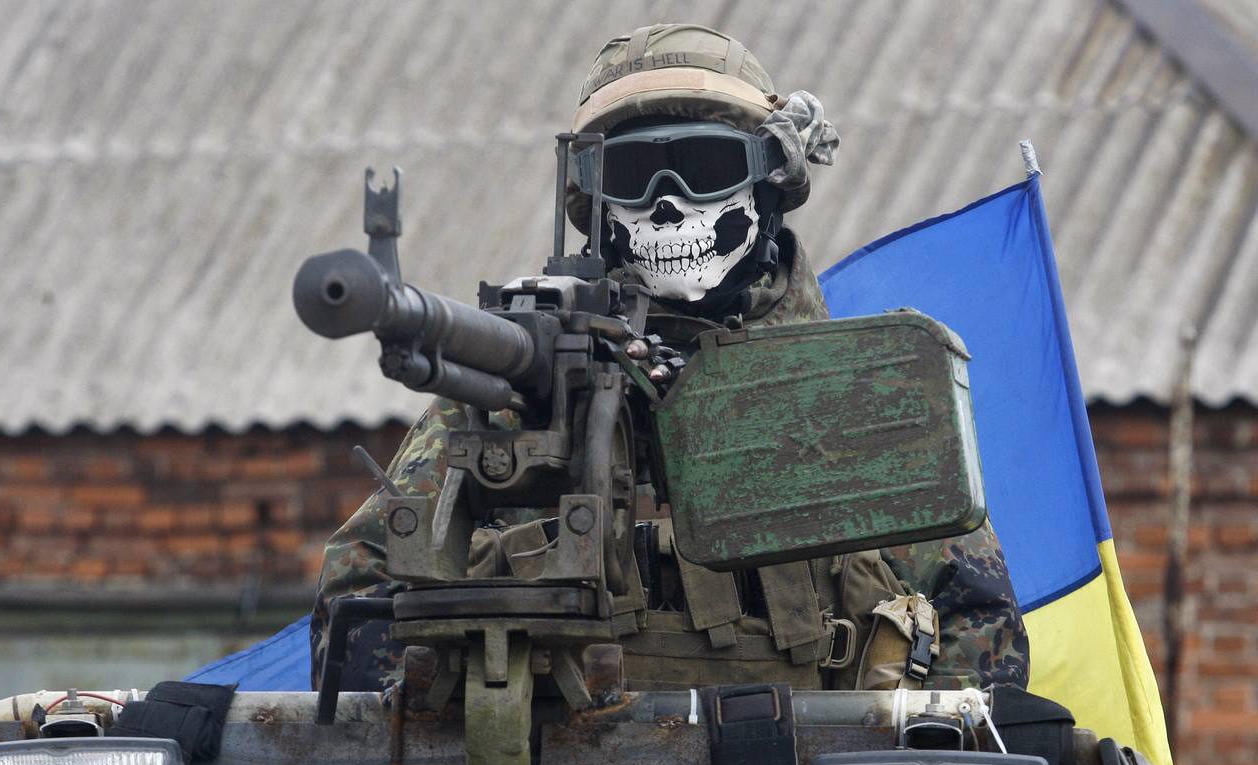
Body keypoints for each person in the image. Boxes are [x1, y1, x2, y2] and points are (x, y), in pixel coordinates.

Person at [311, 23, 1029, 695]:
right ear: (590, 198)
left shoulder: (859, 393)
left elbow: (981, 629)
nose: (667, 204)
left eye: (703, 165)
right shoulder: (513, 401)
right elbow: (356, 610)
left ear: (771, 179)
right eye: (635, 175)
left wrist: (879, 748)